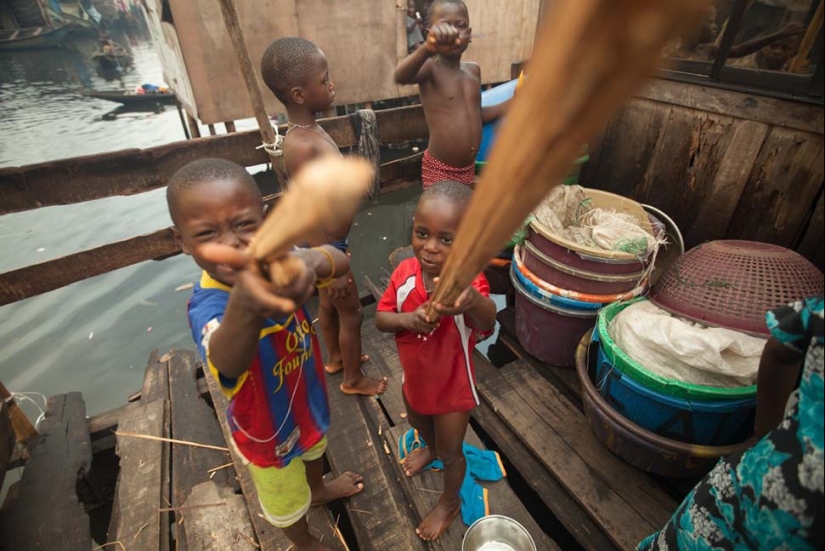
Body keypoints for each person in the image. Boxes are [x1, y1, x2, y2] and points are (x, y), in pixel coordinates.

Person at [168, 158, 365, 551]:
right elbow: (226, 359)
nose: (232, 243)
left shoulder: (283, 258)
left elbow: (339, 260)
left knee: (315, 452)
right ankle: (304, 540)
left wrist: (311, 260)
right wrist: (248, 300)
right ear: (182, 241)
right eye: (208, 233)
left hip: (306, 400)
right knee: (285, 499)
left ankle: (320, 488)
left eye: (245, 225)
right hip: (266, 431)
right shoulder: (208, 307)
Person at [638, 296, 824, 551]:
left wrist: (766, 435)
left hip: (745, 485)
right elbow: (781, 350)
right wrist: (765, 433)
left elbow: (781, 348)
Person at [260, 37, 387, 397]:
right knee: (352, 313)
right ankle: (352, 380)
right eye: (324, 79)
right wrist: (328, 262)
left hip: (330, 243)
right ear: (299, 95)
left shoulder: (310, 131)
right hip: (326, 246)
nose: (331, 85)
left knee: (329, 306)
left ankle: (334, 358)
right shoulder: (301, 145)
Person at [375, 180, 497, 541]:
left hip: (453, 389)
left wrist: (471, 301)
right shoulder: (403, 274)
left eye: (447, 240)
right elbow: (382, 319)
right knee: (416, 420)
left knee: (452, 450)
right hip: (416, 379)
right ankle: (428, 448)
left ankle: (448, 501)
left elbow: (488, 320)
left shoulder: (468, 283)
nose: (430, 248)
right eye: (422, 233)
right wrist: (408, 320)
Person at [394, 0, 509, 188]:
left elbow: (475, 114)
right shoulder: (430, 69)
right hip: (440, 170)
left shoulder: (473, 71)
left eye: (461, 26)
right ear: (429, 32)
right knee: (442, 216)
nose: (453, 32)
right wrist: (427, 49)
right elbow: (400, 76)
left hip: (469, 169)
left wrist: (511, 103)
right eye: (445, 27)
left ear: (469, 34)